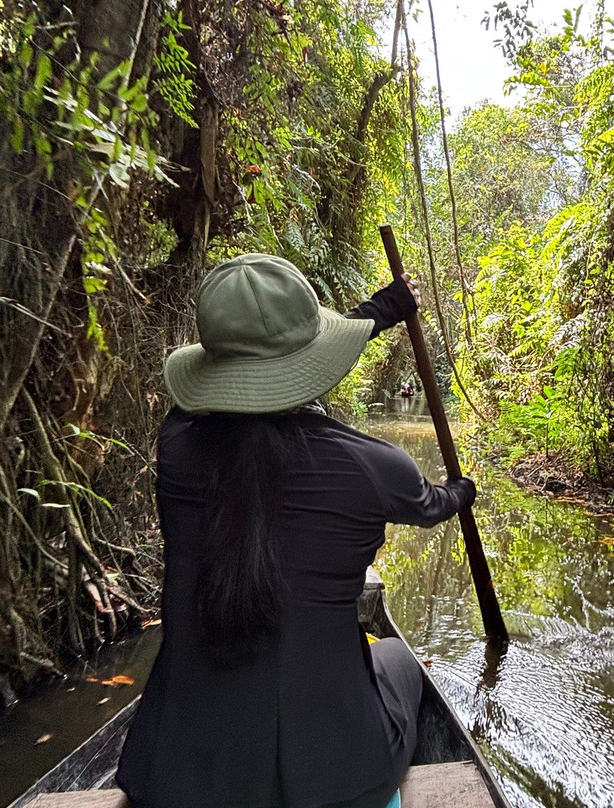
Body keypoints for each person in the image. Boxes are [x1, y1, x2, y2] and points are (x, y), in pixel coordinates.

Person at [115, 254, 476, 808]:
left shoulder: (176, 447)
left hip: (176, 777)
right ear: (316, 364)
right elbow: (432, 505)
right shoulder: (372, 468)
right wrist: (463, 492)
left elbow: (249, 384)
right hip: (336, 779)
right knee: (399, 662)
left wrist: (382, 309)